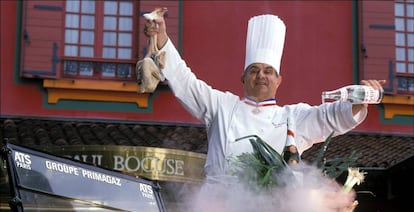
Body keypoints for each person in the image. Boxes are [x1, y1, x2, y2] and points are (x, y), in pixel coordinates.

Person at [143, 11, 384, 211]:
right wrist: (161, 37)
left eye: (268, 71)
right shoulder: (221, 106)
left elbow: (329, 116)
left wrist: (358, 100)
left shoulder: (293, 117)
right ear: (243, 78)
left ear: (279, 80)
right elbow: (186, 83)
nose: (261, 75)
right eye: (254, 70)